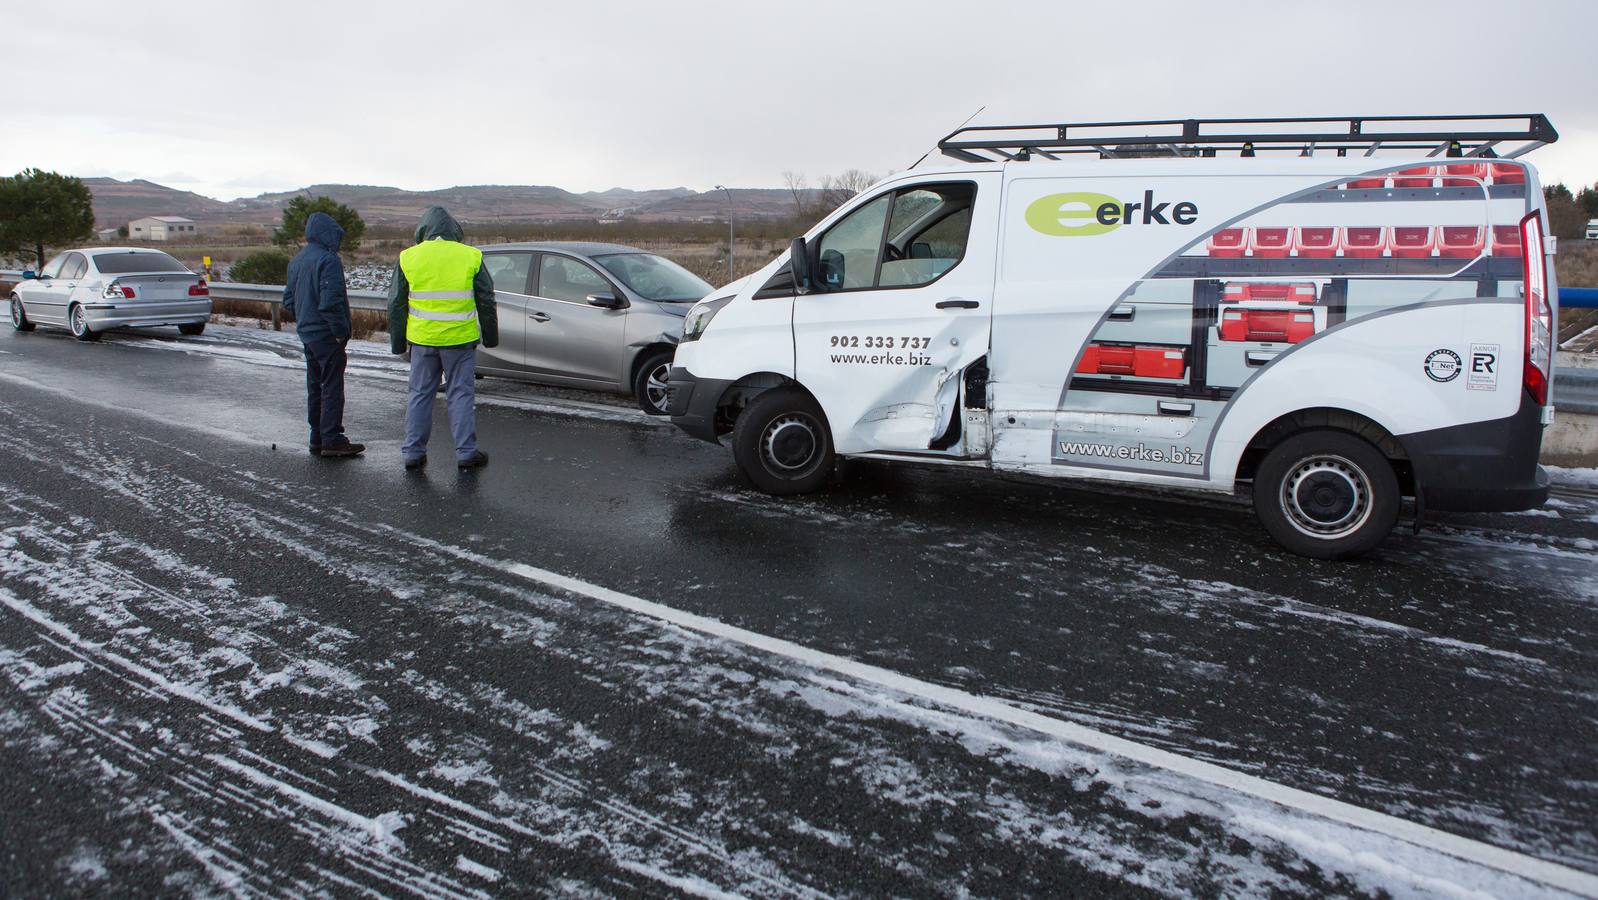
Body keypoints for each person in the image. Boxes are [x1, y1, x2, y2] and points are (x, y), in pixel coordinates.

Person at [387, 206, 498, 470]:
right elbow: (486, 298)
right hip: (460, 341)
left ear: (423, 230)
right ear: (454, 230)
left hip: (423, 341)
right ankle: (466, 452)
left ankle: (413, 453)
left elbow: (395, 304)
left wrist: (397, 343)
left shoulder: (408, 257)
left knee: (420, 395)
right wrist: (491, 337)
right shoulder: (470, 255)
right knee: (460, 394)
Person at [283, 211, 365, 458]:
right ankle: (332, 438)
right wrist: (340, 332)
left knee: (315, 385)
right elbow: (332, 301)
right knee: (331, 386)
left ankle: (317, 436)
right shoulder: (328, 261)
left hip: (307, 333)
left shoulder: (297, 260)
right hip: (326, 334)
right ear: (329, 234)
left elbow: (288, 300)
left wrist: (305, 317)